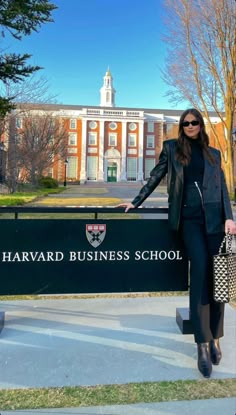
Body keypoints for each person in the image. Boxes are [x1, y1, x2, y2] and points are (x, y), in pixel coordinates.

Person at [118, 108, 236, 378]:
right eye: (186, 123)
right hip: (190, 222)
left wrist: (229, 218)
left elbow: (222, 189)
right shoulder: (172, 149)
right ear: (181, 126)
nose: (190, 126)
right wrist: (136, 201)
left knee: (219, 281)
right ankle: (203, 345)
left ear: (200, 125)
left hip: (216, 223)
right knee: (201, 273)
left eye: (194, 123)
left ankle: (217, 337)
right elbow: (156, 176)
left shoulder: (213, 154)